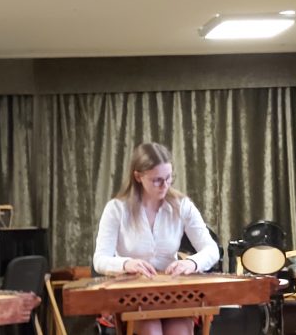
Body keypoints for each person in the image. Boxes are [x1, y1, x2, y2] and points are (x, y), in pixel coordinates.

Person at [93, 142, 220, 335]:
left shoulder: (182, 205)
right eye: (157, 180)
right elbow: (100, 260)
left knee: (179, 332)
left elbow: (212, 249)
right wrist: (127, 264)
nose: (165, 185)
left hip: (173, 292)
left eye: (168, 178)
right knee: (151, 330)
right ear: (138, 177)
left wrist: (192, 263)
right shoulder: (116, 209)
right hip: (132, 294)